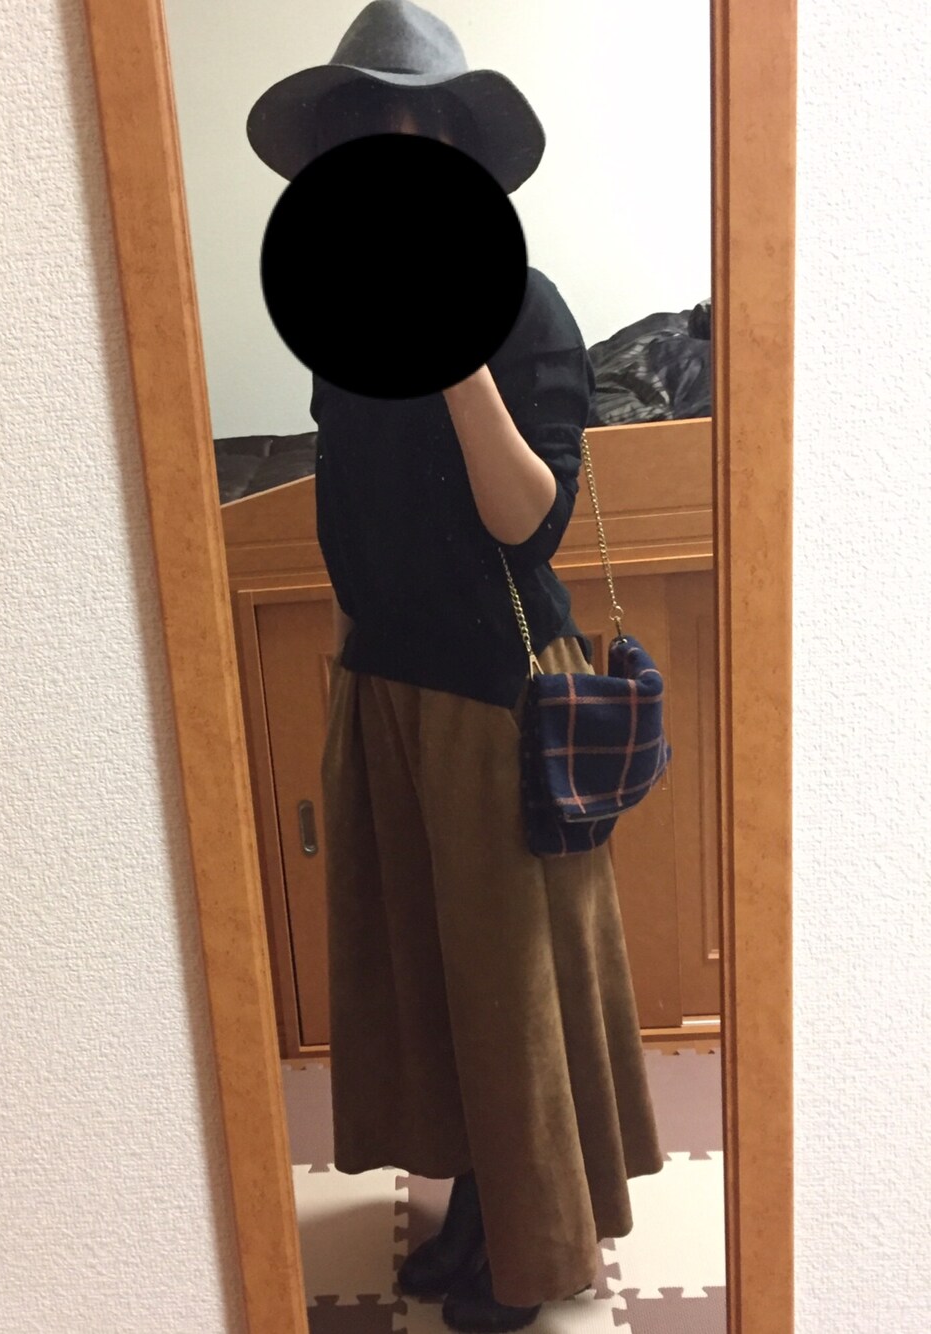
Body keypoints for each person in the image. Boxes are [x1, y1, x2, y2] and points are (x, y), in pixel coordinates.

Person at [247, 5, 664, 1331]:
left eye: (412, 140)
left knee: (509, 986)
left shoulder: (528, 307)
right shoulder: (335, 319)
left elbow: (525, 518)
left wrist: (456, 349)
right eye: (363, 145)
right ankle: (480, 1205)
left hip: (495, 695)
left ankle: (535, 1248)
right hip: (384, 685)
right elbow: (355, 514)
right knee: (431, 975)